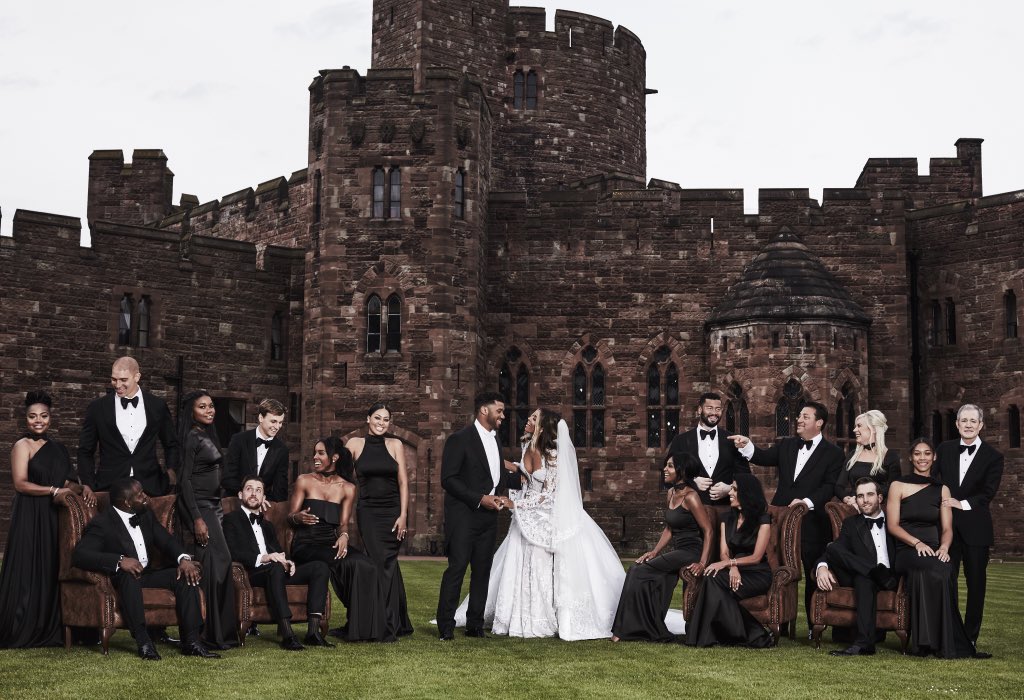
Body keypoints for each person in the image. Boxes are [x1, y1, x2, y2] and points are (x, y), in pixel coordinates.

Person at [452, 409, 628, 640]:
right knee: (518, 562)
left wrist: (515, 504)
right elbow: (523, 474)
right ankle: (514, 616)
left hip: (546, 515)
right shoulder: (527, 447)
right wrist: (495, 462)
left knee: (542, 566)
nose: (528, 419)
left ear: (542, 427)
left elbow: (549, 494)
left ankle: (543, 618)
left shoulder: (553, 455)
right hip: (526, 515)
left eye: (534, 418)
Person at [71, 478, 218, 659]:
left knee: (184, 575)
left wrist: (184, 559)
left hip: (147, 574)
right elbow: (80, 554)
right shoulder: (103, 523)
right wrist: (120, 560)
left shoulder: (145, 514)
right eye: (140, 495)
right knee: (128, 574)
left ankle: (192, 641)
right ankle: (144, 641)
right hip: (122, 580)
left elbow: (166, 540)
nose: (146, 497)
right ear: (126, 502)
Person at [731, 401, 844, 630]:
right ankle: (777, 620)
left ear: (819, 423)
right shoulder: (787, 445)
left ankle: (814, 626)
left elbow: (830, 486)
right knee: (777, 569)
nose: (798, 420)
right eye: (799, 415)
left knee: (813, 572)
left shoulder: (834, 453)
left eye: (805, 416)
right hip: (780, 520)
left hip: (813, 523)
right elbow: (763, 457)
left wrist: (807, 503)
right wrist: (747, 445)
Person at [0, 391, 90, 648]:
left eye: (43, 416)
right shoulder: (22, 446)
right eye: (32, 417)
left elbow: (64, 481)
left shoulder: (58, 448)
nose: (38, 421)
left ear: (51, 417)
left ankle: (53, 627)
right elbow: (20, 484)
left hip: (53, 516)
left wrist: (82, 489)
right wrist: (53, 491)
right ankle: (23, 626)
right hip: (30, 513)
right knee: (29, 566)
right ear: (25, 419)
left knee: (51, 566)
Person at [887, 438, 990, 659]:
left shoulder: (942, 489)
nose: (922, 458)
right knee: (933, 569)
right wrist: (917, 543)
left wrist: (944, 547)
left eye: (927, 454)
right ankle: (926, 642)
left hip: (934, 549)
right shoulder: (898, 486)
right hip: (907, 549)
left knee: (944, 569)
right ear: (910, 457)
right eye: (917, 454)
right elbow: (893, 525)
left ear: (934, 458)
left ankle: (941, 642)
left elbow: (947, 528)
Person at [435, 392, 523, 641]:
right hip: (464, 516)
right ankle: (445, 627)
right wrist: (479, 498)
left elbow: (497, 475)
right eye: (500, 411)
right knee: (457, 569)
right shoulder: (459, 439)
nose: (503, 416)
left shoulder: (496, 440)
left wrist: (525, 477)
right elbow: (448, 479)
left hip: (489, 517)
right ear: (484, 411)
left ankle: (475, 625)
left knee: (483, 571)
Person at [611, 451, 714, 642]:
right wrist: (654, 551)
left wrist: (702, 562)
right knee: (642, 571)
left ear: (681, 471)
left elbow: (708, 531)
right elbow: (669, 528)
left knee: (636, 571)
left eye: (670, 466)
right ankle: (646, 628)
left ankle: (622, 631)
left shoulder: (691, 497)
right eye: (666, 465)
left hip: (691, 552)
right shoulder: (671, 493)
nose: (665, 469)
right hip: (678, 551)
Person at [289, 437, 384, 642]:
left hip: (329, 543)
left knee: (366, 565)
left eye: (321, 453)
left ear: (334, 457)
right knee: (349, 564)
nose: (315, 457)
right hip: (305, 544)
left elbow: (343, 523)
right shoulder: (304, 480)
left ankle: (358, 627)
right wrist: (298, 517)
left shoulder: (348, 488)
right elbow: (290, 516)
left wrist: (344, 536)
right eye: (315, 452)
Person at [223, 476, 332, 650]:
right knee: (274, 568)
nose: (254, 493)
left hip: (276, 572)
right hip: (252, 572)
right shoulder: (231, 519)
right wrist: (264, 558)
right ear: (240, 494)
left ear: (263, 498)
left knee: (320, 567)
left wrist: (287, 561)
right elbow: (232, 551)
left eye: (258, 490)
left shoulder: (268, 525)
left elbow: (278, 551)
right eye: (249, 489)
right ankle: (287, 634)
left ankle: (313, 632)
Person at [934, 403, 1003, 647]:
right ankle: (948, 633)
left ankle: (970, 638)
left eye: (973, 421)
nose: (969, 425)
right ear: (957, 424)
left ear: (981, 425)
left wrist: (959, 503)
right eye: (964, 420)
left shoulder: (994, 457)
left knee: (976, 586)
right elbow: (934, 481)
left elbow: (987, 493)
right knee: (945, 581)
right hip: (946, 528)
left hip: (976, 530)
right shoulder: (944, 449)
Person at [345, 401, 414, 638]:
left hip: (393, 511)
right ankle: (380, 621)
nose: (381, 423)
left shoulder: (395, 444)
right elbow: (342, 477)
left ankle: (389, 622)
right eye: (377, 418)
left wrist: (404, 515)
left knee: (389, 563)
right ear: (368, 418)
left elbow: (403, 482)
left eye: (386, 419)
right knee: (378, 563)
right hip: (368, 512)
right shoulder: (354, 444)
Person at [174, 390, 237, 649]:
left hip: (214, 505)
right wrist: (197, 518)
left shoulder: (205, 435)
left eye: (211, 406)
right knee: (217, 561)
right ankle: (209, 633)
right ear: (192, 412)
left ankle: (217, 632)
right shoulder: (191, 437)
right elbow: (184, 481)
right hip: (201, 507)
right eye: (203, 407)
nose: (210, 410)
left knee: (216, 561)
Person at [684, 473, 773, 648]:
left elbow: (756, 557)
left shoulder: (763, 519)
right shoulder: (727, 518)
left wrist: (730, 564)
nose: (730, 492)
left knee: (713, 581)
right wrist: (732, 566)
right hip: (736, 569)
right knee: (712, 580)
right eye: (731, 488)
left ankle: (701, 635)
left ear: (746, 493)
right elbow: (724, 552)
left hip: (757, 574)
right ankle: (748, 634)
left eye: (734, 489)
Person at [816, 476, 899, 656]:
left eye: (870, 494)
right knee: (835, 549)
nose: (865, 500)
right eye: (860, 496)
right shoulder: (851, 524)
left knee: (841, 555)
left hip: (890, 577)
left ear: (880, 497)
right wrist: (821, 566)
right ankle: (865, 644)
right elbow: (836, 550)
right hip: (866, 575)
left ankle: (873, 572)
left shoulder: (895, 521)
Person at [77, 356, 179, 497]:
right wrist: (87, 483)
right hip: (109, 487)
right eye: (114, 379)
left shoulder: (157, 406)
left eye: (123, 380)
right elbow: (85, 450)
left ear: (137, 377)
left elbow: (171, 443)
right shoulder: (97, 408)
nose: (117, 385)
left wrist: (171, 473)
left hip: (151, 487)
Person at [666, 392, 750, 509]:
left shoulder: (733, 440)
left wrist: (730, 488)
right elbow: (668, 474)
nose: (714, 413)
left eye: (718, 409)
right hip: (690, 510)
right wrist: (691, 481)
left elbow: (746, 475)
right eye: (709, 408)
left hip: (726, 511)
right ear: (700, 410)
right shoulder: (680, 440)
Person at [222, 398, 290, 504]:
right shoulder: (238, 440)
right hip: (235, 502)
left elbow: (280, 490)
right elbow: (227, 478)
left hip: (263, 507)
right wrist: (250, 497)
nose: (277, 427)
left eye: (280, 422)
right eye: (273, 421)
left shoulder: (282, 450)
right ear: (261, 418)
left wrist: (263, 500)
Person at [834, 410, 901, 504]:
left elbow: (894, 488)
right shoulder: (852, 456)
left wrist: (864, 500)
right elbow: (839, 486)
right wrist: (847, 498)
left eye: (859, 426)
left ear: (873, 429)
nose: (854, 430)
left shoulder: (891, 457)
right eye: (855, 426)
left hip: (879, 509)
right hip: (854, 508)